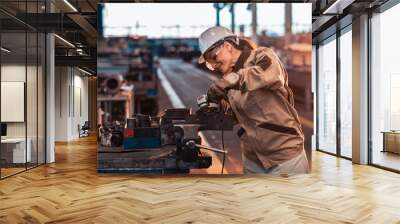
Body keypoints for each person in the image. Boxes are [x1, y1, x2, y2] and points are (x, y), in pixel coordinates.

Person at [198, 26, 309, 175]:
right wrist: (213, 109)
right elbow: (235, 115)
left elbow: (272, 73)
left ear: (227, 46)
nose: (214, 65)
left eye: (214, 58)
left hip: (284, 156)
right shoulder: (230, 79)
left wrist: (230, 81)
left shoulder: (261, 56)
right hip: (253, 159)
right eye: (209, 63)